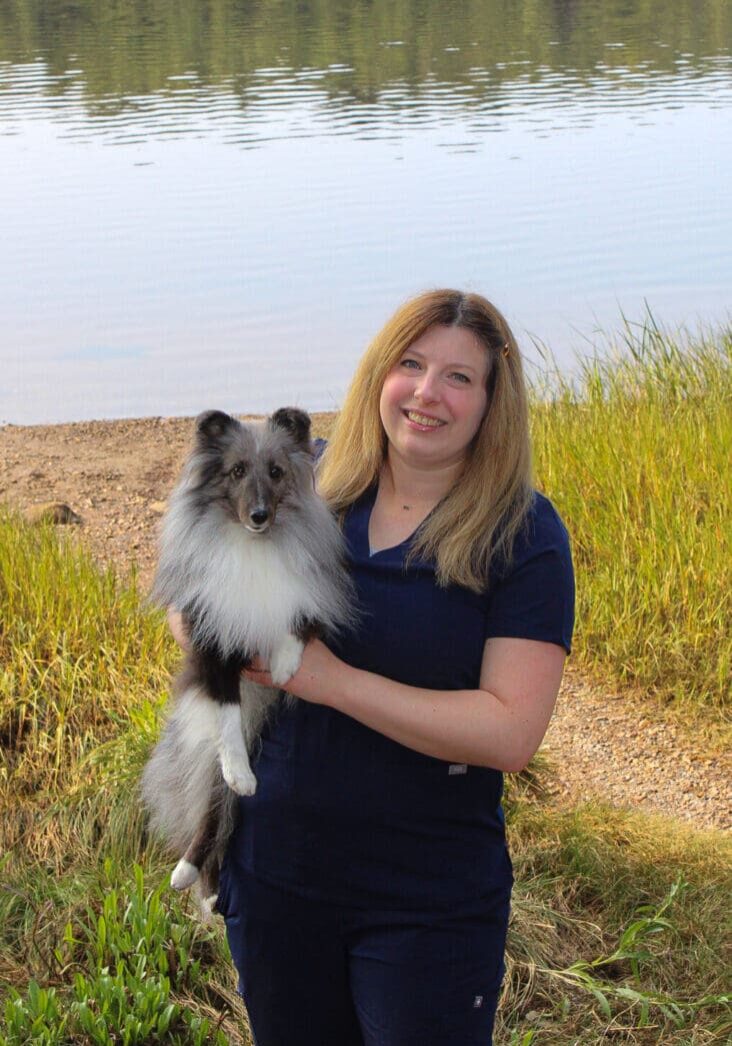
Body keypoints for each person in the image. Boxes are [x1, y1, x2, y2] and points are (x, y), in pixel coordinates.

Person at [169, 289, 574, 1045]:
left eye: (459, 377)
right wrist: (215, 619)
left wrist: (331, 682)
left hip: (427, 901)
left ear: (493, 401)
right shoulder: (306, 481)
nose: (427, 394)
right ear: (378, 375)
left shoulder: (523, 536)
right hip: (277, 879)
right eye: (411, 365)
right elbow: (191, 590)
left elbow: (510, 732)